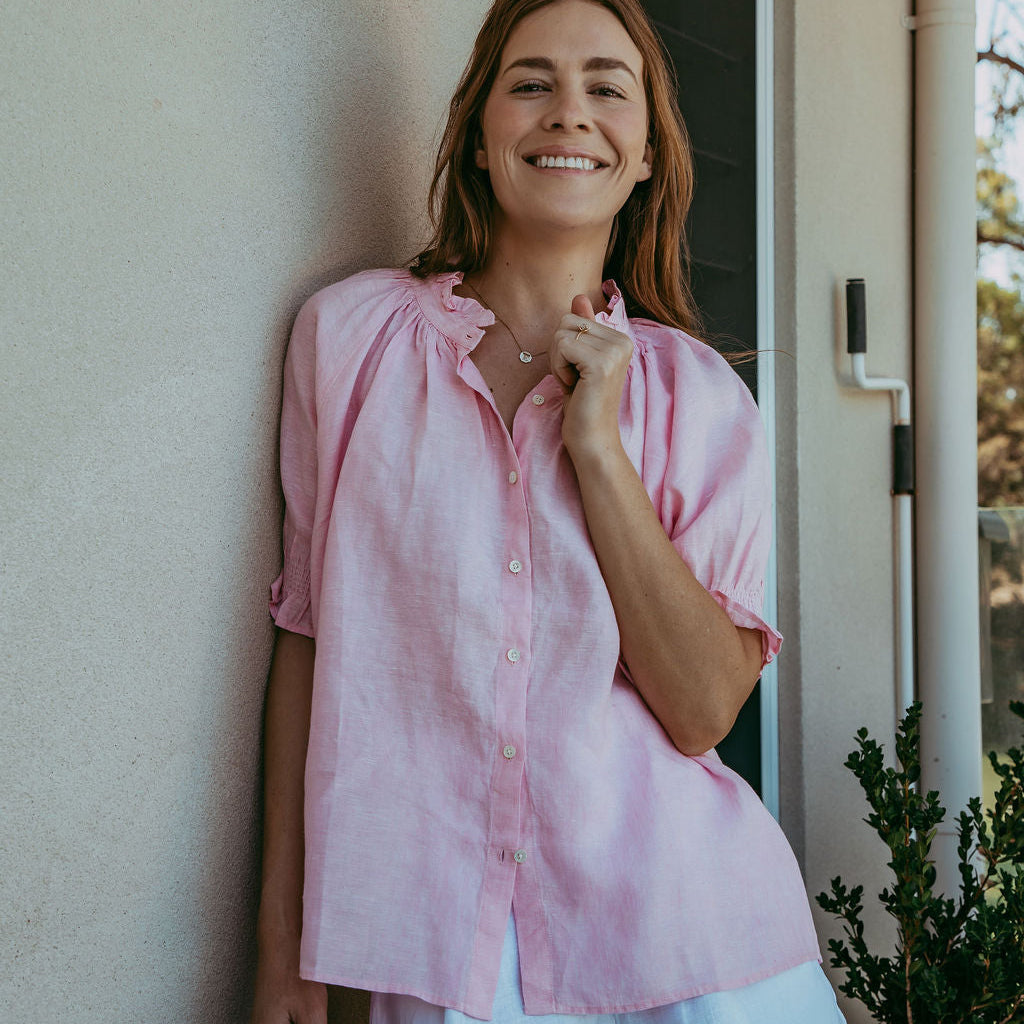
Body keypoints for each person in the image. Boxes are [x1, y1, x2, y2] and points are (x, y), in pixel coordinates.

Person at [250, 1, 847, 1022]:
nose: (568, 112)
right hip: (435, 952)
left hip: (687, 946)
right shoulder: (348, 342)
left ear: (647, 153)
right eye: (530, 83)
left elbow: (703, 708)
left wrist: (598, 452)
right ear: (479, 136)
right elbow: (310, 644)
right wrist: (283, 950)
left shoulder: (702, 400)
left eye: (606, 88)